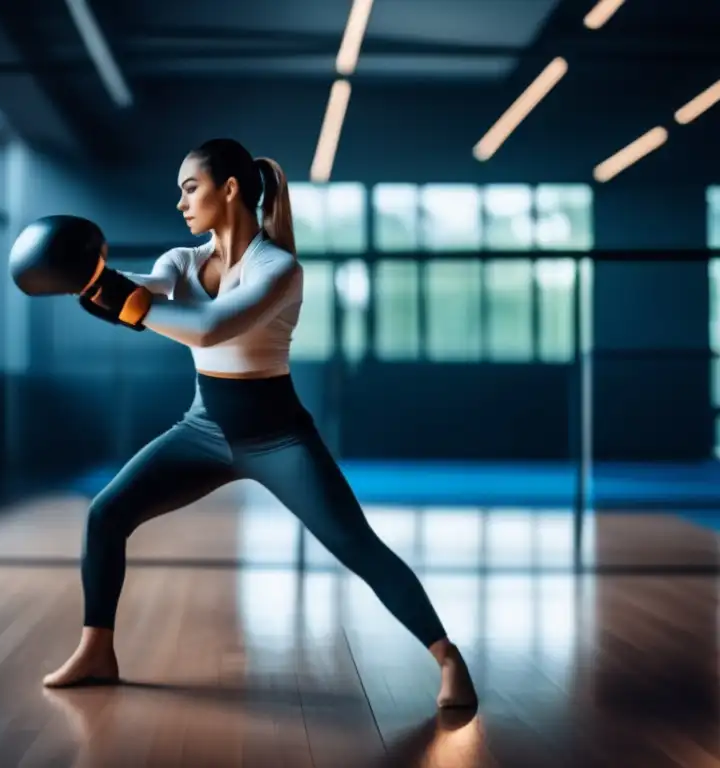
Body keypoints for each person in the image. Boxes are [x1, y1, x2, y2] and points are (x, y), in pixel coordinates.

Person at [42, 138, 478, 709]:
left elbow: (210, 329)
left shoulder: (280, 269)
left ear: (229, 190)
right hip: (203, 430)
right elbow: (139, 292)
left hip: (279, 438)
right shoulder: (181, 263)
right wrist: (89, 278)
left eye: (190, 188)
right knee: (106, 514)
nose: (180, 203)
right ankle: (97, 651)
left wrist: (123, 301)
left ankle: (450, 660)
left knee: (358, 546)